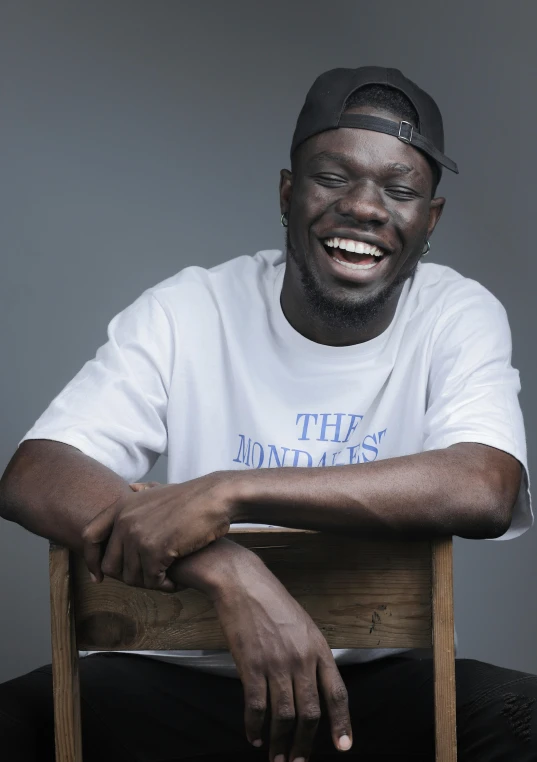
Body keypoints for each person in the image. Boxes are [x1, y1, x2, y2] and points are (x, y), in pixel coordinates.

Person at [0, 65, 534, 762]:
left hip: (379, 688)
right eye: (333, 177)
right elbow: (35, 473)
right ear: (288, 193)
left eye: (398, 189)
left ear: (427, 220)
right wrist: (232, 572)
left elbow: (482, 487)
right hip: (177, 686)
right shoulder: (188, 310)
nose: (366, 208)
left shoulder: (455, 313)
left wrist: (229, 491)